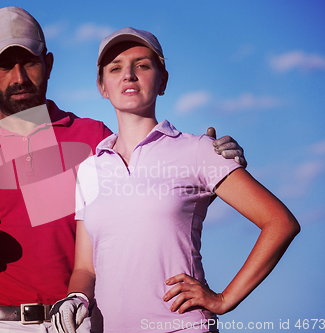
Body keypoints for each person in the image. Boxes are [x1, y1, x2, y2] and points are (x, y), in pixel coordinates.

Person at [0, 7, 246, 333]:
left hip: (82, 320)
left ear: (49, 64)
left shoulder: (93, 137)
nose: (19, 77)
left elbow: (154, 191)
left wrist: (210, 167)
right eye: (4, 66)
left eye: (28, 62)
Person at [50, 28, 300, 333]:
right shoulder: (89, 170)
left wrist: (224, 299)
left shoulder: (198, 150)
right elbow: (85, 268)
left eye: (142, 65)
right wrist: (76, 299)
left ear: (163, 81)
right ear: (102, 86)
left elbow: (280, 222)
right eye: (115, 68)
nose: (128, 75)